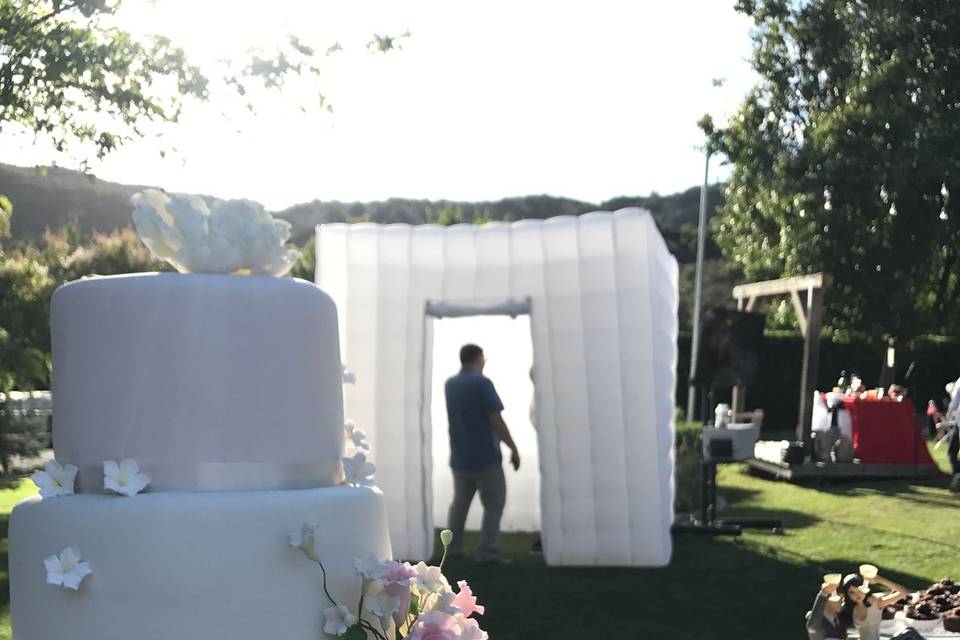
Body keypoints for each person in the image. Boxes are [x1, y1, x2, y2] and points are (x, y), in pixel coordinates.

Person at [445, 343, 520, 562]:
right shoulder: (482, 383)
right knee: (494, 505)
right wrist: (513, 448)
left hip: (460, 457)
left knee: (459, 506)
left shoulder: (450, 384)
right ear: (479, 359)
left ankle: (454, 549)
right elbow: (495, 419)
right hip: (485, 458)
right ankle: (487, 552)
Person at [838, 573, 908, 640]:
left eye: (860, 590)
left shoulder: (876, 603)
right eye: (852, 592)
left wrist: (880, 580)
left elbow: (904, 592)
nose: (857, 594)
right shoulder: (848, 608)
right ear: (847, 594)